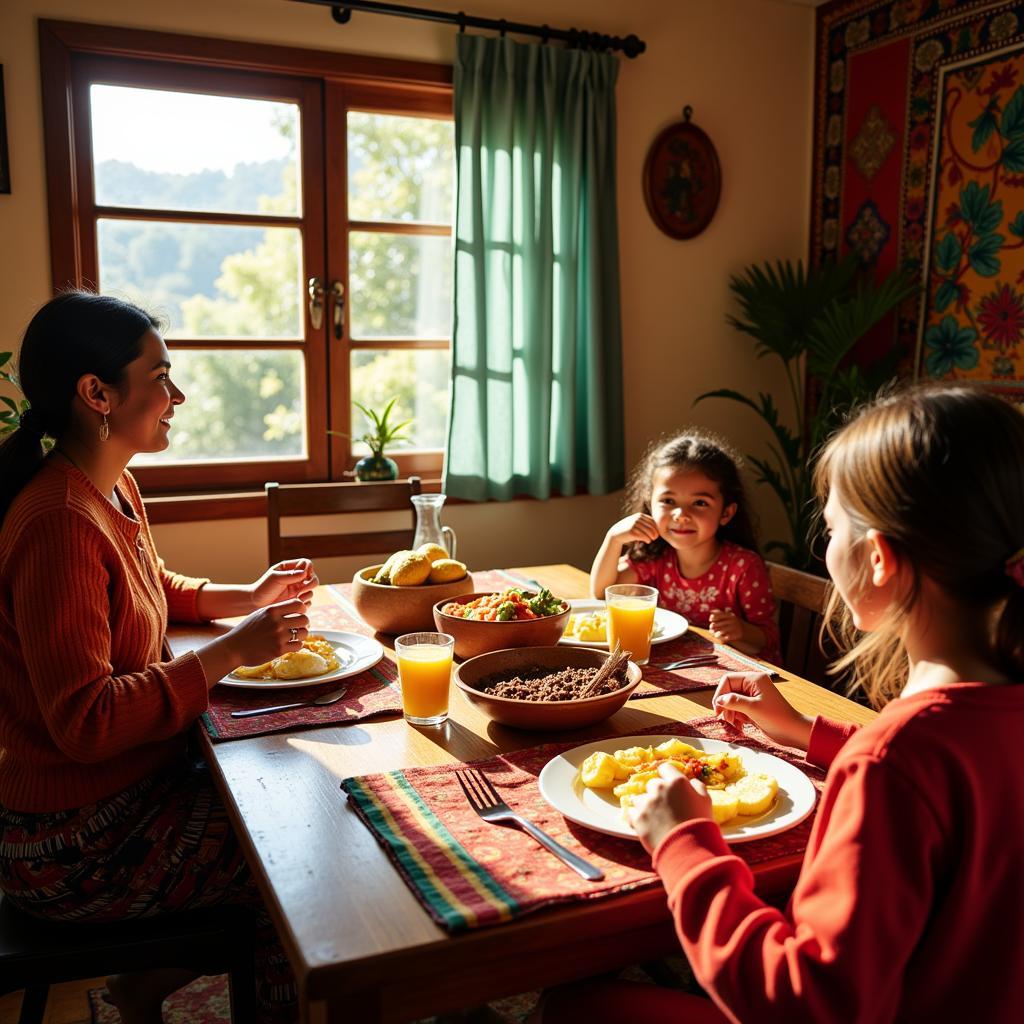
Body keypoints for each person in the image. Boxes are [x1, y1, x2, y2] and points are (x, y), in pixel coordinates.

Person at [544, 384, 1024, 1022]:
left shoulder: (892, 762)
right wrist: (802, 731)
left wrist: (685, 841)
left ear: (878, 558)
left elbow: (807, 1003)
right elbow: (954, 774)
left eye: (830, 529)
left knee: (578, 1005)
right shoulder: (957, 726)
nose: (827, 546)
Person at [0, 291, 319, 1024]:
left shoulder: (109, 488)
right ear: (97, 393)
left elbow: (149, 588)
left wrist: (245, 595)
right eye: (161, 377)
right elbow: (83, 720)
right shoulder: (58, 522)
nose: (176, 395)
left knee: (291, 815)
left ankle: (146, 987)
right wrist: (229, 654)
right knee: (290, 872)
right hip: (72, 841)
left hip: (122, 801)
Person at [590, 429, 780, 662]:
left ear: (726, 512)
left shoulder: (743, 566)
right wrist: (613, 539)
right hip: (674, 668)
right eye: (668, 501)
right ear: (650, 503)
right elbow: (602, 595)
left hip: (734, 678)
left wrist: (741, 630)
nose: (681, 515)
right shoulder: (656, 557)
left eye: (699, 503)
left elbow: (768, 636)